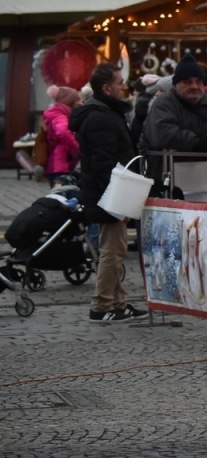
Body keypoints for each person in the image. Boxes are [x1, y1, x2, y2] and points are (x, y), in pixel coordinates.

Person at [69, 63, 145, 324]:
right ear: (106, 88)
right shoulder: (101, 117)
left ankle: (118, 303)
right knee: (112, 251)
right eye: (119, 83)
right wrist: (118, 201)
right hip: (109, 195)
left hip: (108, 193)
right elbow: (104, 164)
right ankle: (101, 305)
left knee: (115, 248)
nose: (124, 88)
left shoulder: (105, 112)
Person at [139, 55, 207, 161]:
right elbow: (163, 135)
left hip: (206, 169)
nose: (194, 86)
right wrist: (197, 142)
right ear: (175, 85)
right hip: (167, 170)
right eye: (187, 82)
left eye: (198, 81)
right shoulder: (163, 103)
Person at [39, 85, 81, 183]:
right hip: (61, 166)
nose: (80, 102)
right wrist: (77, 149)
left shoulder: (57, 114)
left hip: (57, 165)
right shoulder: (60, 116)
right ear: (70, 101)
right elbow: (63, 132)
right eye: (77, 100)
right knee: (63, 195)